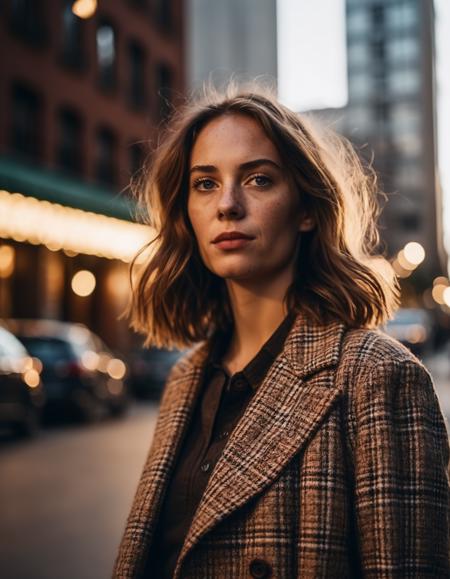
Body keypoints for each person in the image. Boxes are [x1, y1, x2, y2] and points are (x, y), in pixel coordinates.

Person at [113, 85, 450, 578]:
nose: (227, 204)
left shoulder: (377, 377)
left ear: (308, 209)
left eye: (258, 179)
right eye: (205, 183)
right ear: (186, 210)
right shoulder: (186, 378)